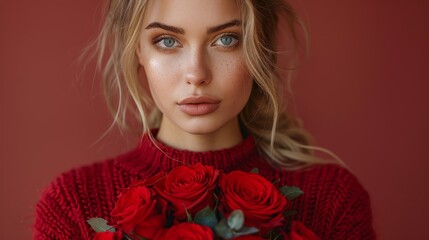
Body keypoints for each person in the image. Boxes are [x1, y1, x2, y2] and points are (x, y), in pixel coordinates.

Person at [34, 0, 376, 239]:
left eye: (226, 39)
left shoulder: (333, 200)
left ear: (260, 44)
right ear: (137, 49)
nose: (196, 74)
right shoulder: (73, 203)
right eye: (167, 41)